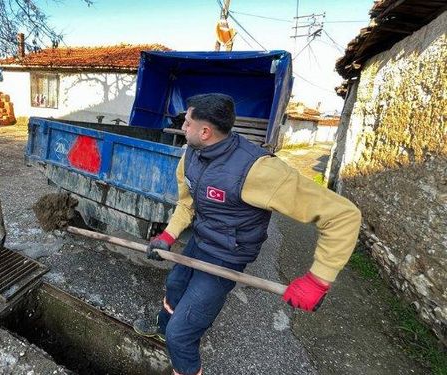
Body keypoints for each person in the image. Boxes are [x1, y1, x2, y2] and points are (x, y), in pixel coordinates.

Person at [133, 93, 361, 375]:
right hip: (201, 240)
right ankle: (162, 330)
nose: (183, 127)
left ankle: (180, 351)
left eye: (187, 123)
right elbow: (187, 202)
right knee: (175, 285)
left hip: (227, 255)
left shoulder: (258, 170)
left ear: (205, 131)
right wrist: (168, 236)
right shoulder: (192, 153)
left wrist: (318, 279)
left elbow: (342, 215)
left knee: (181, 337)